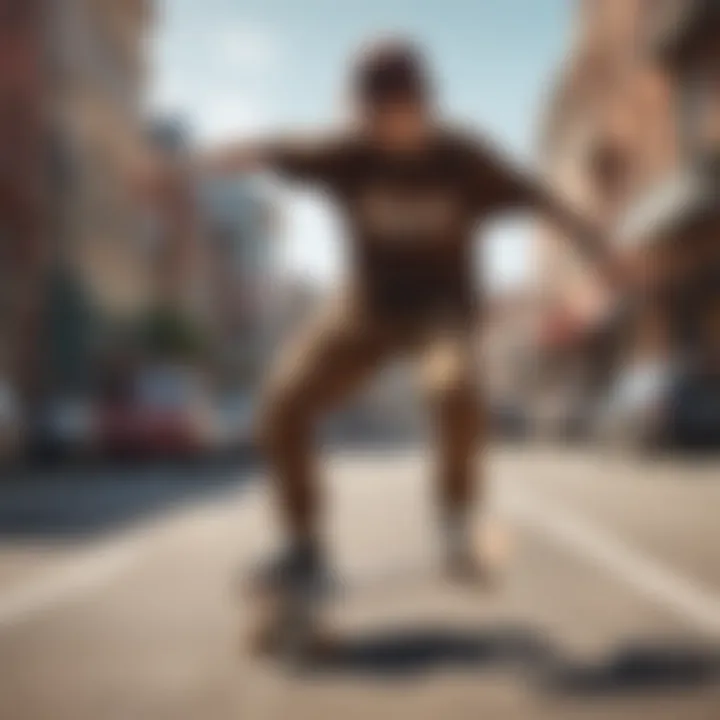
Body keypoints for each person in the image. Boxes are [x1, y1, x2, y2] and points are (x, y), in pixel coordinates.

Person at [184, 38, 625, 640]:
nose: (388, 134)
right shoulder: (346, 152)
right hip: (365, 307)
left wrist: (598, 247)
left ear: (423, 106)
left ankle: (455, 519)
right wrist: (182, 167)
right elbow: (268, 149)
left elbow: (538, 198)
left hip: (440, 309)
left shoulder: (464, 157)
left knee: (454, 383)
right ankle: (302, 543)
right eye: (374, 121)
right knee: (283, 401)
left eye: (398, 118)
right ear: (361, 112)